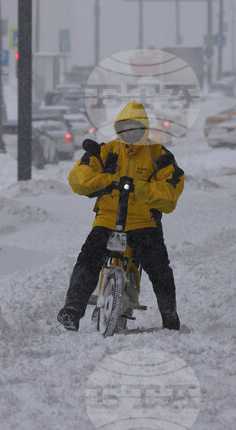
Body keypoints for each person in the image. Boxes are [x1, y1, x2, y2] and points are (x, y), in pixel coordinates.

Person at [57, 101, 184, 331]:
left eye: (136, 128)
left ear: (144, 129)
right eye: (125, 128)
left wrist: (140, 188)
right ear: (118, 129)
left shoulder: (160, 155)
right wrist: (107, 181)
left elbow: (170, 194)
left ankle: (170, 315)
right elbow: (79, 178)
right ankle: (72, 309)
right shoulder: (106, 152)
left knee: (159, 268)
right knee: (88, 258)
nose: (130, 133)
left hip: (144, 223)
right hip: (107, 220)